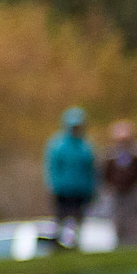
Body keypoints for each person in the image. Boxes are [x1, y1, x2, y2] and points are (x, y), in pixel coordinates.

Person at [101, 119, 137, 249]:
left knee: (134, 224)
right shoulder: (111, 154)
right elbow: (104, 174)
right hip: (117, 195)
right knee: (118, 223)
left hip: (134, 194)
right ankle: (120, 247)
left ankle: (134, 247)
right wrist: (108, 190)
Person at [46, 107, 98, 249]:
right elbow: (52, 167)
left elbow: (91, 168)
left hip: (81, 189)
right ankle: (58, 241)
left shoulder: (86, 146)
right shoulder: (58, 145)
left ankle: (76, 242)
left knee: (78, 217)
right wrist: (53, 185)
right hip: (63, 189)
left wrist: (92, 187)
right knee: (61, 216)